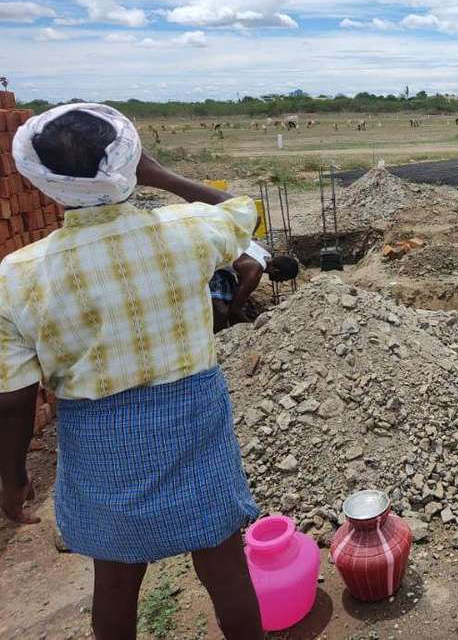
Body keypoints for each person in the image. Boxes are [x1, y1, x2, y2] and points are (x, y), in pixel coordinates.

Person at [0, 104, 265, 640]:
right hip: (194, 426)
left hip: (102, 445)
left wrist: (13, 476)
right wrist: (162, 175)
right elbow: (245, 212)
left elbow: (13, 399)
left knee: (116, 581)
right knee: (224, 568)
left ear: (40, 179)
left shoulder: (18, 274)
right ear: (130, 162)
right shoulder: (189, 230)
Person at [210, 243, 299, 332]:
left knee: (231, 298)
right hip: (208, 262)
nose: (281, 282)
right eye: (283, 279)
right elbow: (234, 311)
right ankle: (218, 338)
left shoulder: (264, 252)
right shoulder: (254, 272)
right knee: (221, 312)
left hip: (218, 259)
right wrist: (254, 329)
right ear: (276, 271)